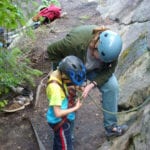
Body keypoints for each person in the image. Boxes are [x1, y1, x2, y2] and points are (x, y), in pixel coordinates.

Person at [47, 25, 128, 138]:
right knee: (70, 96)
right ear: (95, 45)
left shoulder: (112, 49)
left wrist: (92, 84)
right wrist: (62, 75)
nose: (102, 61)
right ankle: (67, 135)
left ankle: (111, 127)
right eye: (100, 57)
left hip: (92, 70)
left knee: (112, 86)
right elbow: (51, 51)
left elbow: (109, 70)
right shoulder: (73, 43)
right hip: (73, 67)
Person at [46, 55, 86, 150]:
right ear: (64, 75)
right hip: (60, 123)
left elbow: (64, 85)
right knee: (66, 146)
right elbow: (58, 113)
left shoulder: (57, 73)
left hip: (58, 119)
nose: (71, 82)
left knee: (58, 143)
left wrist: (76, 87)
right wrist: (75, 107)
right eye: (70, 80)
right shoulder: (55, 89)